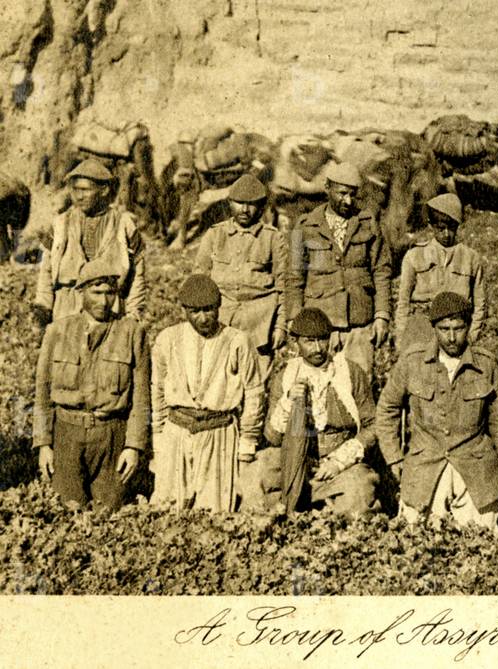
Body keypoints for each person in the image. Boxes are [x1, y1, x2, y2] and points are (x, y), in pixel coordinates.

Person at [376, 292, 498, 532]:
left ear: (469, 326)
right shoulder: (412, 362)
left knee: (479, 540)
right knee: (416, 538)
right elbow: (387, 409)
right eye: (444, 329)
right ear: (433, 328)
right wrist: (394, 457)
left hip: (475, 466)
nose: (451, 337)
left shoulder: (486, 364)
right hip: (425, 464)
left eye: (458, 329)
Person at [33, 257, 149, 511]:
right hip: (66, 434)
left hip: (111, 435)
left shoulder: (132, 332)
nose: (104, 301)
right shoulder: (58, 331)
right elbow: (42, 393)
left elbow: (141, 397)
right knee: (66, 510)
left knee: (110, 513)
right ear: (81, 293)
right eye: (96, 292)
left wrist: (133, 446)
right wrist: (43, 443)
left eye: (110, 293)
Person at [150, 274, 264, 512]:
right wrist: (159, 438)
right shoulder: (167, 340)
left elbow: (254, 393)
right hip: (177, 432)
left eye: (209, 310)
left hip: (219, 433)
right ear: (184, 311)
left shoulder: (238, 341)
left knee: (214, 512)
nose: (203, 318)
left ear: (219, 306)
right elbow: (158, 390)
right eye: (195, 312)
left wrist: (247, 443)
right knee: (168, 509)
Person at [263, 307, 379, 516]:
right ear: (295, 341)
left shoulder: (350, 372)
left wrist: (339, 462)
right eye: (309, 341)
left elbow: (373, 425)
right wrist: (288, 401)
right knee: (257, 476)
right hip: (297, 460)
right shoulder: (285, 376)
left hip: (339, 463)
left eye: (323, 340)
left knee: (359, 489)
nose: (318, 348)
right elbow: (272, 437)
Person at [286, 161, 391, 377]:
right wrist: (294, 320)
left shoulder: (368, 222)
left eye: (353, 195)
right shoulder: (304, 226)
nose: (348, 201)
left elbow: (381, 270)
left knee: (360, 385)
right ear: (327, 188)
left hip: (359, 326)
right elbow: (294, 277)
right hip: (320, 327)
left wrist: (382, 315)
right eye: (342, 193)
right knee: (319, 387)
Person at [195, 173, 291, 380]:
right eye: (239, 203)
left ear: (262, 206)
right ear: (230, 203)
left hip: (259, 329)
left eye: (251, 204)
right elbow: (198, 286)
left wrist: (280, 326)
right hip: (220, 326)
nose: (245, 210)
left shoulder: (273, 238)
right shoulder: (214, 235)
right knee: (219, 386)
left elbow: (284, 288)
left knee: (256, 390)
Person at [33, 158, 147, 328]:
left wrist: (133, 312)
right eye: (75, 190)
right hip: (67, 306)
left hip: (109, 305)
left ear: (104, 190)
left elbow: (138, 272)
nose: (79, 196)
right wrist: (43, 308)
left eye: (85, 190)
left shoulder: (123, 224)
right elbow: (46, 270)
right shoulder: (60, 224)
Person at [394, 193, 486, 351]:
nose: (446, 234)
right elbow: (403, 302)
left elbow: (480, 305)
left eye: (451, 228)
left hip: (456, 332)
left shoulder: (471, 258)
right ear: (431, 225)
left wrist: (471, 335)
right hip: (421, 329)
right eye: (440, 228)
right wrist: (402, 338)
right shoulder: (414, 256)